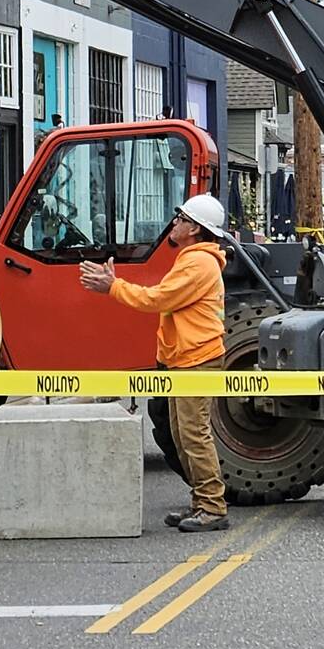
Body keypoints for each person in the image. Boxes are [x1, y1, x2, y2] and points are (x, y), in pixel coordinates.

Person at [81, 192, 231, 532]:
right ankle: (202, 502)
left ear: (194, 229)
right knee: (183, 435)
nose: (174, 224)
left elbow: (159, 298)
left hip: (197, 359)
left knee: (193, 434)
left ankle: (212, 506)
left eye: (181, 219)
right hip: (187, 358)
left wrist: (113, 287)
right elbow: (163, 297)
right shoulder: (194, 259)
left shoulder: (199, 263)